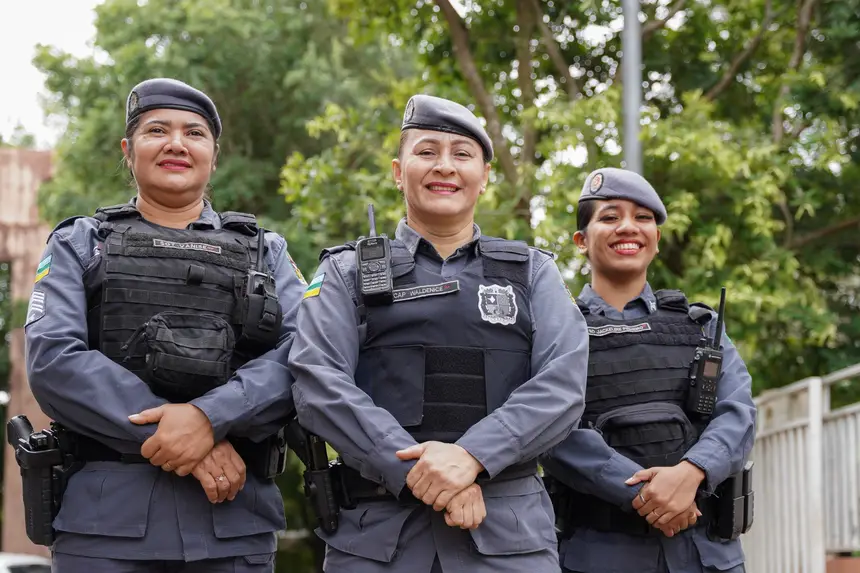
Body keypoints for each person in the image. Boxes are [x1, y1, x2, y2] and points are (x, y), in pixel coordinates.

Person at [287, 94, 589, 573]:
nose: (444, 166)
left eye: (462, 155)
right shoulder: (344, 273)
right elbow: (317, 382)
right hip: (377, 540)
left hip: (507, 540)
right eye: (426, 152)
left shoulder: (534, 273)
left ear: (484, 176)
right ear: (397, 170)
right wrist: (421, 472)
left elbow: (564, 386)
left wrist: (472, 456)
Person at [23, 78, 306, 572]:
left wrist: (209, 418)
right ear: (128, 150)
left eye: (194, 134)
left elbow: (305, 354)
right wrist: (183, 437)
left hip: (233, 528)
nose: (176, 144)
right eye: (158, 130)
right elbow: (54, 360)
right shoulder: (80, 244)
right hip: (104, 533)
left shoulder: (267, 252)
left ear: (214, 156)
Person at [541, 168, 756, 573]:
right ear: (581, 241)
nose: (628, 228)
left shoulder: (702, 326)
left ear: (656, 239)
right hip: (598, 554)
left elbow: (738, 413)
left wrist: (693, 472)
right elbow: (548, 428)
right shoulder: (555, 331)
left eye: (643, 218)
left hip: (705, 554)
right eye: (609, 217)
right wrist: (648, 493)